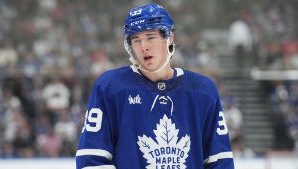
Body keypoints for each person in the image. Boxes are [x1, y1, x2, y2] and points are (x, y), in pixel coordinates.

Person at [76, 3, 234, 168]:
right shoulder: (111, 86)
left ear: (169, 38)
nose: (143, 46)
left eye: (150, 37)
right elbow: (91, 160)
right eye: (136, 40)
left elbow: (220, 162)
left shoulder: (203, 90)